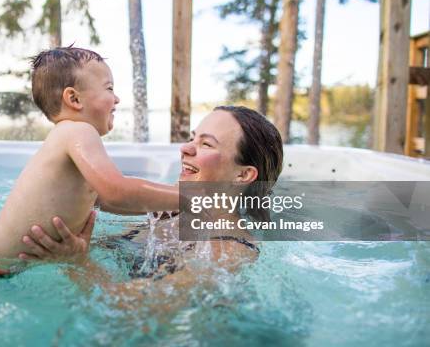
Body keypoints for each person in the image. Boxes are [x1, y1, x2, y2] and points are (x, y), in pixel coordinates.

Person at [0, 47, 180, 283]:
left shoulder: (69, 137)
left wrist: (167, 207)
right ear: (74, 98)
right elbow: (118, 191)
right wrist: (192, 198)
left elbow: (108, 200)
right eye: (109, 88)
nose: (117, 98)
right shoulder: (78, 131)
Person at [19, 106, 283, 290]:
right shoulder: (171, 210)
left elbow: (130, 314)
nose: (185, 148)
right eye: (192, 138)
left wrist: (77, 263)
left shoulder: (227, 251)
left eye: (206, 144)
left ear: (244, 174)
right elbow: (105, 224)